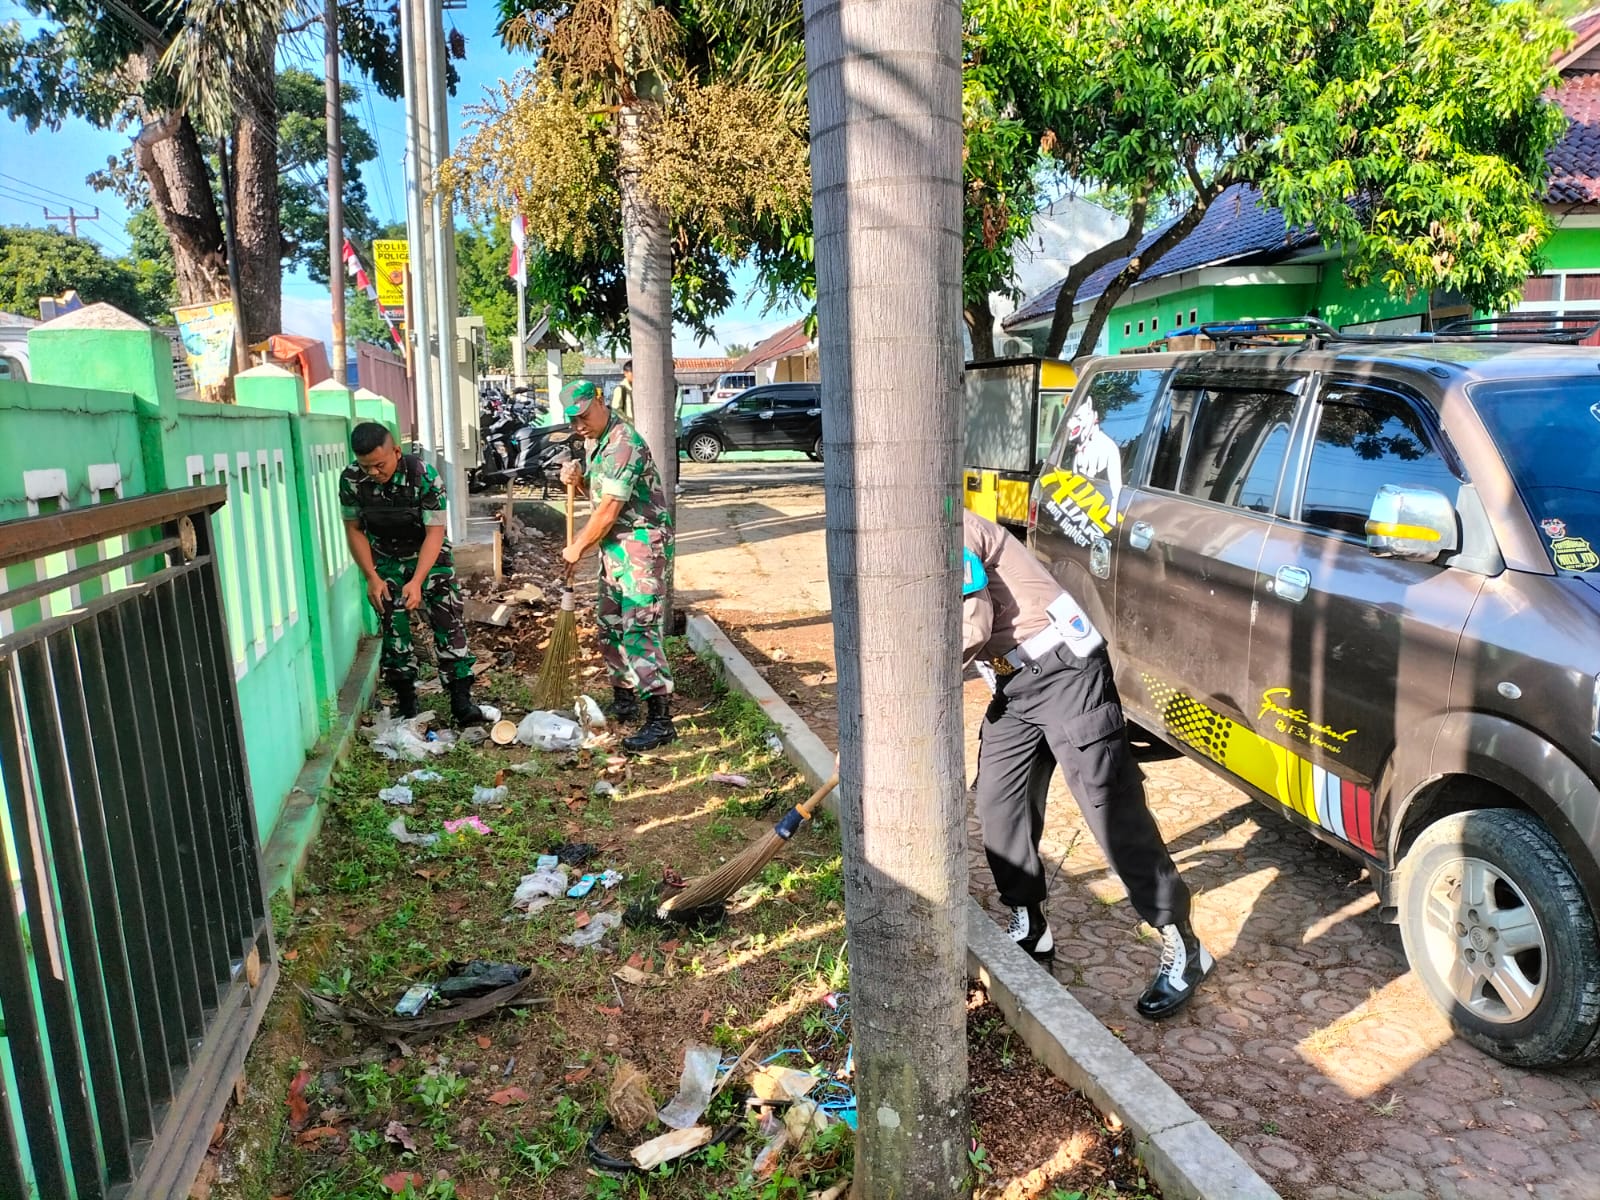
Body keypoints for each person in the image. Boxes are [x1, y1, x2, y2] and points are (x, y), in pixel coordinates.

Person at [962, 508, 1211, 1019]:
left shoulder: (942, 523)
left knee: (1108, 805)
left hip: (1063, 668)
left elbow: (973, 621)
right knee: (997, 800)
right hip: (1012, 680)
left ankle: (1183, 945)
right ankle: (1031, 924)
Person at [556, 379, 677, 752]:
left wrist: (577, 545)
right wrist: (576, 481)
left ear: (599, 401)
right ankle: (624, 698)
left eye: (582, 418)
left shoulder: (624, 442)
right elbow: (599, 496)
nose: (578, 427)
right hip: (615, 547)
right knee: (609, 624)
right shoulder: (599, 442)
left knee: (638, 626)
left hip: (641, 545)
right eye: (572, 422)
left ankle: (660, 719)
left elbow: (609, 510)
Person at [340, 422, 484, 725]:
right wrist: (371, 576)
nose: (374, 473)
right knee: (394, 627)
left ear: (396, 451)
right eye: (367, 467)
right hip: (385, 558)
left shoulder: (424, 475)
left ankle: (462, 702)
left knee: (448, 622)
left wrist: (418, 581)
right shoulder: (352, 480)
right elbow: (354, 530)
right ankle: (407, 702)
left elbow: (435, 532)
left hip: (429, 555)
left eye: (380, 465)